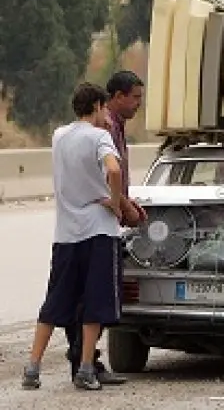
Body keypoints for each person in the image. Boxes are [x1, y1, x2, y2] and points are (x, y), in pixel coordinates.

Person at [22, 84, 125, 391]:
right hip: (98, 230)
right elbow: (114, 170)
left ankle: (32, 368)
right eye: (104, 108)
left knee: (55, 300)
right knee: (94, 302)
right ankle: (85, 368)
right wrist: (116, 202)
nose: (107, 114)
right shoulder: (100, 137)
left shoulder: (59, 136)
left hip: (66, 233)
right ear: (96, 106)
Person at [64, 70, 146, 386]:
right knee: (90, 296)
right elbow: (105, 176)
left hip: (100, 222)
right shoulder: (104, 129)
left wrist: (127, 202)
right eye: (135, 97)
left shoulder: (116, 128)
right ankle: (82, 360)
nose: (139, 104)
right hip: (92, 226)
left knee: (93, 295)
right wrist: (123, 207)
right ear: (115, 98)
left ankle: (89, 360)